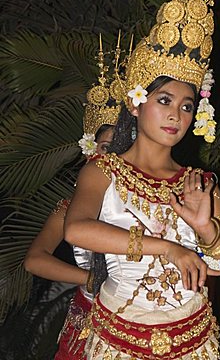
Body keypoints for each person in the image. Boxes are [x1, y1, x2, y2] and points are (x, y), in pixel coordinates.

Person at [64, 0, 220, 360]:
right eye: (164, 99)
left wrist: (206, 231)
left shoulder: (200, 183)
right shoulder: (104, 171)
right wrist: (167, 248)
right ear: (135, 103)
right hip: (120, 342)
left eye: (186, 106)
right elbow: (76, 230)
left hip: (194, 343)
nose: (175, 114)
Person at [24, 40, 122, 359]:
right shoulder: (73, 206)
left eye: (122, 147)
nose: (114, 157)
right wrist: (89, 277)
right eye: (107, 148)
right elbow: (34, 259)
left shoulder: (152, 199)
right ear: (92, 150)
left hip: (144, 321)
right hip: (90, 321)